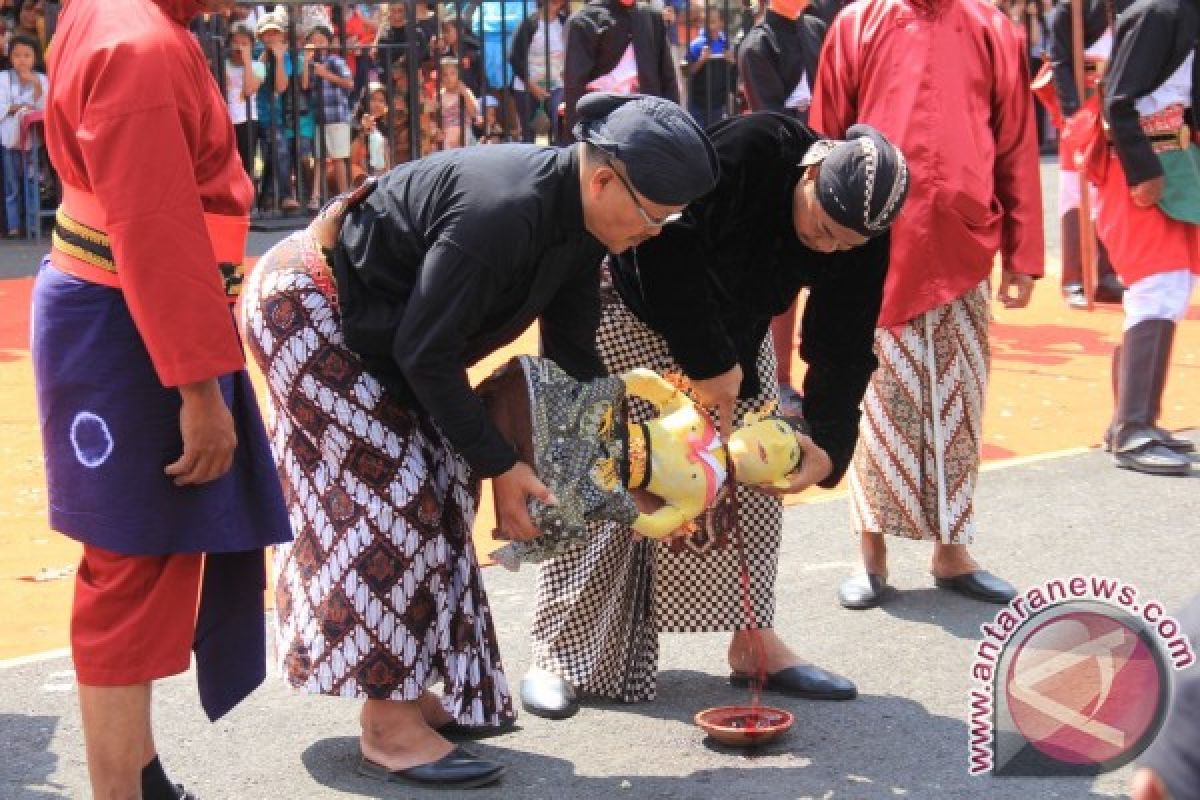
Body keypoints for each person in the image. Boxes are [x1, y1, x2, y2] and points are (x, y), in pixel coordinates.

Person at [240, 92, 718, 790]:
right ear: (604, 180)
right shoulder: (502, 211)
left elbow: (572, 359)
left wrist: (615, 463)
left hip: (386, 335)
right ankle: (388, 726)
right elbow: (426, 352)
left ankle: (407, 690)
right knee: (397, 495)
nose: (655, 231)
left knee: (442, 484)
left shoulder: (585, 228)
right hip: (309, 309)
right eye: (652, 215)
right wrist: (503, 463)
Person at [525, 113, 909, 718]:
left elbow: (843, 337)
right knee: (614, 472)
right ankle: (561, 651)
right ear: (809, 173)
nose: (828, 245)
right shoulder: (751, 150)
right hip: (632, 305)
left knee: (747, 476)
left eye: (845, 243)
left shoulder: (864, 231)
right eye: (823, 226)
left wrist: (828, 443)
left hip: (735, 333)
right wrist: (706, 361)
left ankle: (752, 643)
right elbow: (666, 245)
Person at [33, 1, 293, 797]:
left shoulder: (119, 16)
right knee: (132, 565)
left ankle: (139, 776)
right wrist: (200, 389)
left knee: (138, 558)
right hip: (133, 317)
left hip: (123, 304)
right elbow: (154, 227)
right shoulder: (139, 42)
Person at [811, 0, 1044, 610]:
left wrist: (1023, 251)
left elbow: (1016, 141)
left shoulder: (993, 27)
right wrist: (815, 244)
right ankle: (871, 554)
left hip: (964, 241)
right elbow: (824, 140)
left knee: (960, 402)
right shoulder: (856, 24)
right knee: (875, 401)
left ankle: (952, 549)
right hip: (872, 246)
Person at [1093, 0, 1199, 475]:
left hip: (1175, 161)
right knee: (1157, 286)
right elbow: (1118, 99)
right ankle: (1132, 428)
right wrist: (1143, 170)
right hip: (1140, 168)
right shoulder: (1157, 12)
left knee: (1173, 289)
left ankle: (1134, 421)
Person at [737, 0, 828, 418]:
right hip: (783, 171)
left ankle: (823, 376)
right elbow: (774, 117)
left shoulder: (815, 28)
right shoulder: (757, 44)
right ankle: (781, 381)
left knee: (830, 276)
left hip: (827, 160)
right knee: (782, 287)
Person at [1046, 0, 1129, 308]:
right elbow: (1060, 61)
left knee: (1110, 189)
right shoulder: (1073, 9)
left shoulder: (1129, 5)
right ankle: (1074, 279)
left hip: (1116, 103)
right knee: (1075, 192)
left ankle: (1107, 275)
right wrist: (1072, 113)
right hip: (1083, 103)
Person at [559, 0, 679, 143]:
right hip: (600, 124)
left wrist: (673, 125)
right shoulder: (583, 21)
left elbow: (667, 78)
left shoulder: (652, 18)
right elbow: (574, 84)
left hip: (646, 121)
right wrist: (576, 136)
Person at [0, 33, 45, 237]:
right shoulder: (3, 78)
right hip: (9, 140)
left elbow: (43, 107)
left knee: (32, 182)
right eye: (17, 55)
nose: (22, 60)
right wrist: (19, 107)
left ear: (35, 58)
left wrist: (35, 85)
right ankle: (14, 226)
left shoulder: (42, 79)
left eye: (27, 55)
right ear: (10, 57)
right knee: (12, 185)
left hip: (33, 141)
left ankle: (32, 224)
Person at [305, 22, 354, 204]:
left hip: (337, 116)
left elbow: (349, 83)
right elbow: (305, 86)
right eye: (313, 40)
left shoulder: (335, 61)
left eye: (321, 39)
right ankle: (315, 195)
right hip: (319, 117)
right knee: (319, 157)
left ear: (328, 42)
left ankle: (344, 195)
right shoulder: (310, 64)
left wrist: (326, 75)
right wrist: (307, 63)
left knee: (338, 156)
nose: (317, 43)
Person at [510, 0, 569, 143]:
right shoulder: (529, 23)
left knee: (560, 129)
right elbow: (515, 58)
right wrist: (532, 87)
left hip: (557, 86)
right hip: (527, 88)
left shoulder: (565, 22)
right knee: (529, 135)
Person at [223, 20, 265, 181]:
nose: (239, 47)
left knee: (246, 163)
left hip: (247, 120)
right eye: (235, 42)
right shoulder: (223, 64)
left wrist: (247, 63)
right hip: (227, 119)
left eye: (244, 43)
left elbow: (248, 90)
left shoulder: (258, 67)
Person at [685, 7, 735, 128]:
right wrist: (702, 60)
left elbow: (734, 72)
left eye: (713, 22)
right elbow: (687, 72)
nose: (710, 26)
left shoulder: (726, 43)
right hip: (698, 102)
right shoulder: (696, 44)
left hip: (718, 102)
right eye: (706, 22)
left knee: (716, 134)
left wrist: (732, 61)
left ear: (721, 23)